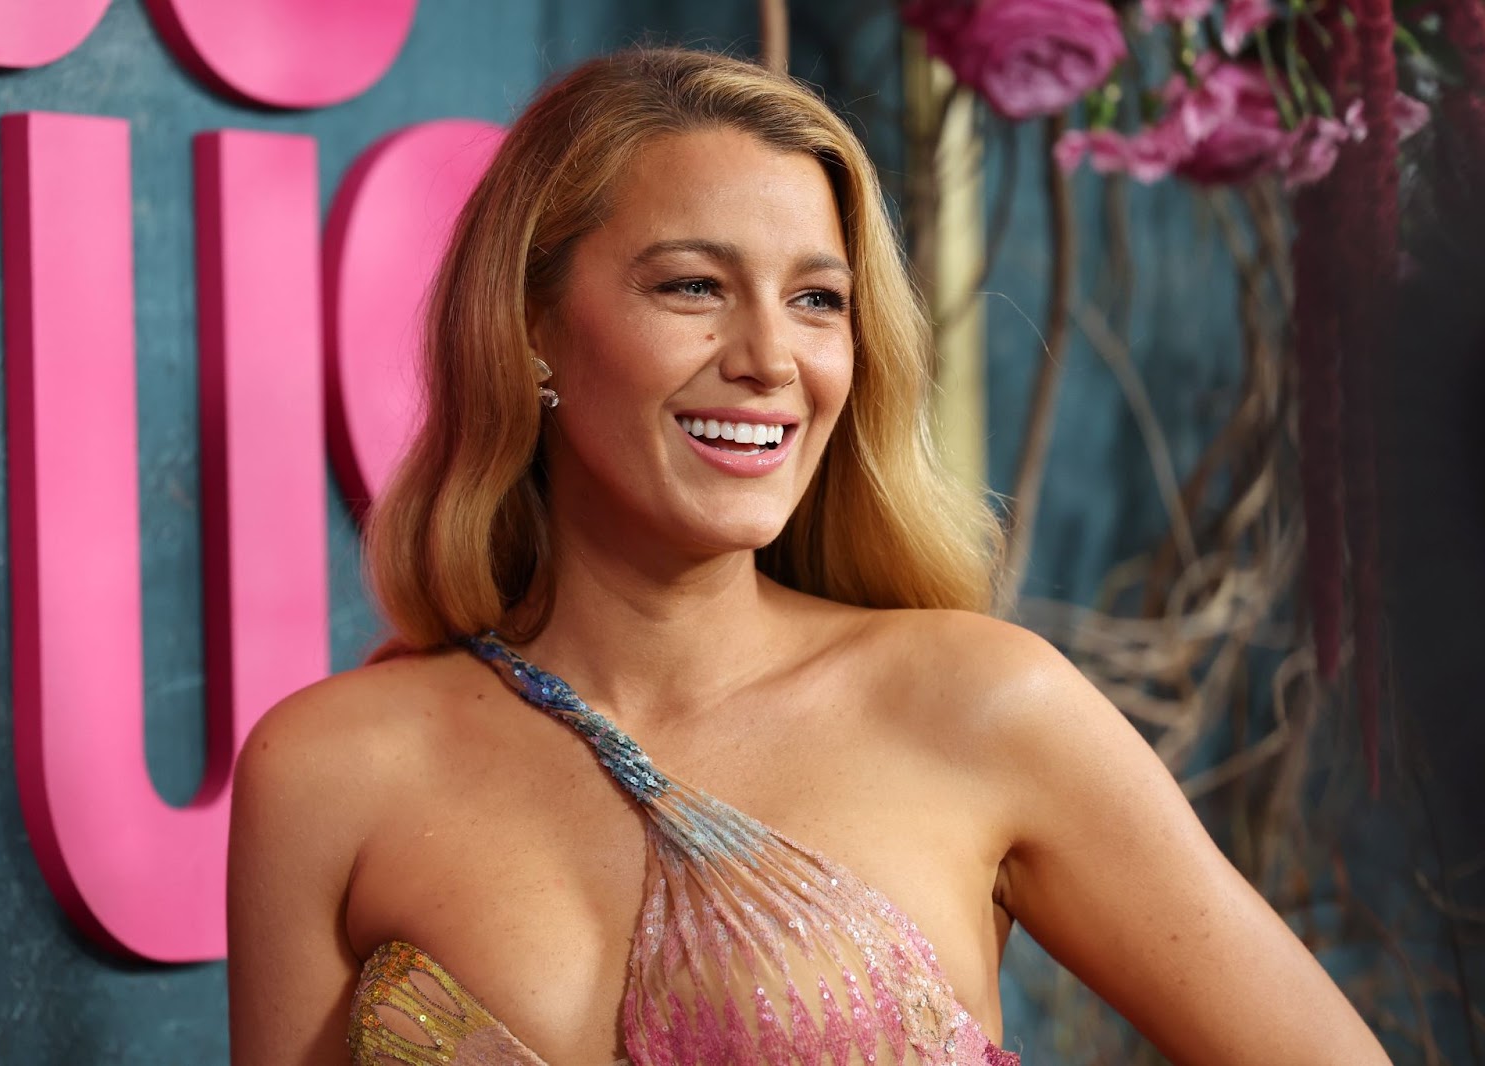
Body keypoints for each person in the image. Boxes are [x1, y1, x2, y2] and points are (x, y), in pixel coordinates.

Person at [226, 47, 1391, 1066]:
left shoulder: (981, 703)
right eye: (693, 286)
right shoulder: (327, 770)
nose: (771, 357)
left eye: (818, 299)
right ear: (530, 328)